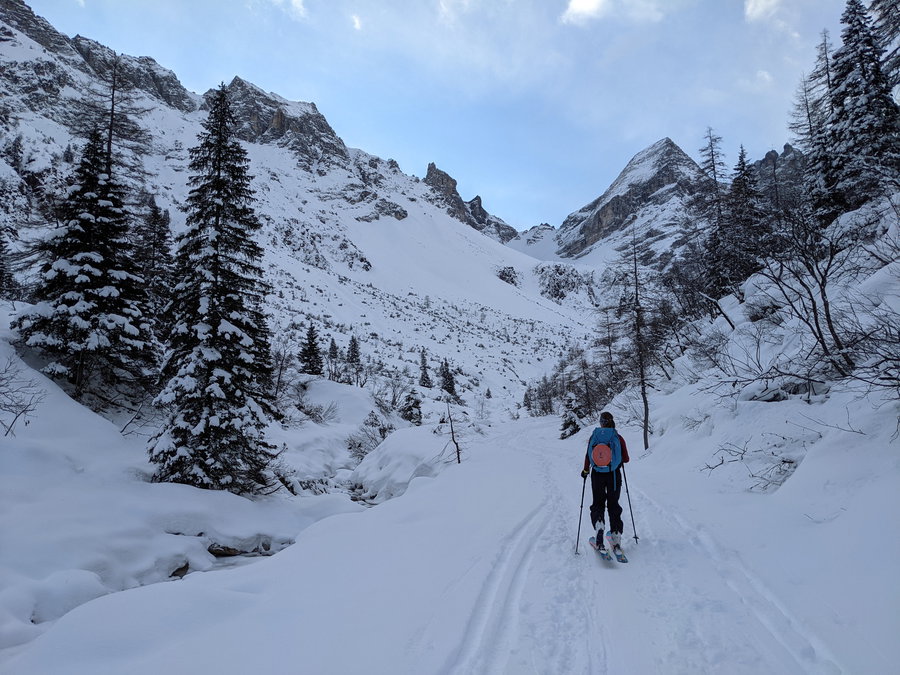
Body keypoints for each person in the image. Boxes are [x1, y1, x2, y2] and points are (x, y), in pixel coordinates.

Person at [580, 411, 629, 554]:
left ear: (601, 422)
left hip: (597, 476)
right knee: (613, 504)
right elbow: (626, 459)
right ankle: (616, 536)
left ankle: (599, 526)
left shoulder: (594, 436)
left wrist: (585, 470)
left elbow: (588, 456)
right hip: (614, 475)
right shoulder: (617, 437)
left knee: (598, 504)